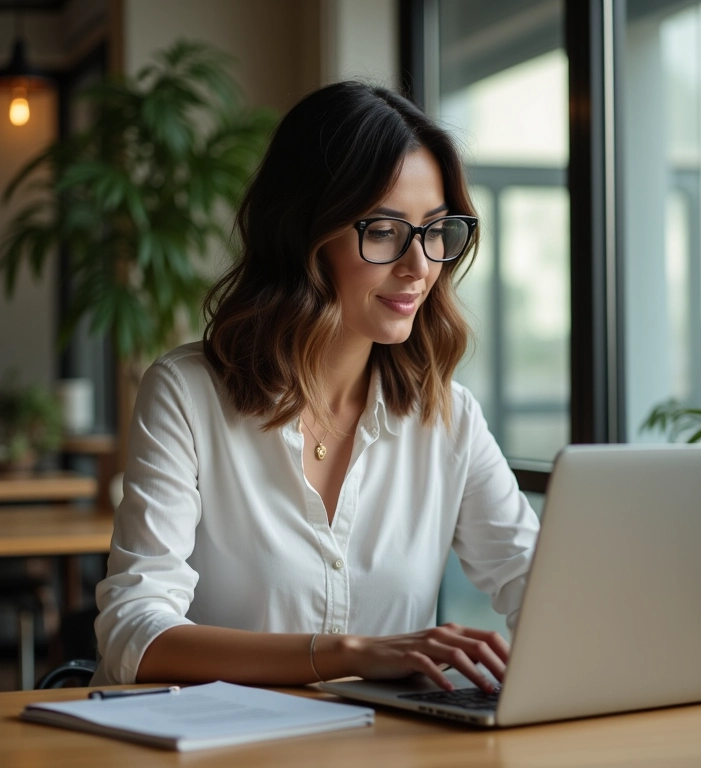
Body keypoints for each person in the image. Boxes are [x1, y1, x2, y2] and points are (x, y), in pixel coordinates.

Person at [92, 81, 540, 692]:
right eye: (383, 231)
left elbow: (540, 589)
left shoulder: (448, 415)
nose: (420, 266)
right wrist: (352, 653)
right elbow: (133, 636)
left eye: (437, 230)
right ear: (305, 233)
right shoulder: (187, 395)